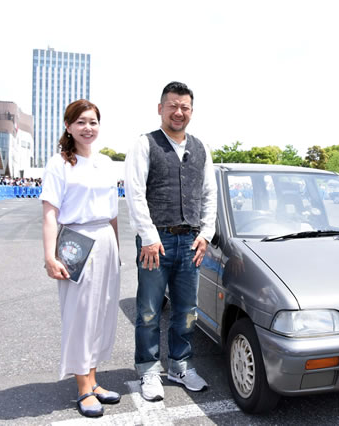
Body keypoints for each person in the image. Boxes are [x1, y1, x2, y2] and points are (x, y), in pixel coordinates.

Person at [124, 81, 217, 401]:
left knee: (187, 311)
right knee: (149, 311)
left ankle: (179, 365)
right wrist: (148, 237)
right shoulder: (145, 144)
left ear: (191, 111)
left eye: (185, 107)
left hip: (190, 241)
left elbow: (209, 194)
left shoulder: (201, 148)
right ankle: (148, 369)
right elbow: (134, 193)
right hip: (156, 242)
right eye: (173, 106)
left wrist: (205, 233)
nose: (179, 112)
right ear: (160, 108)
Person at [40, 99, 121, 418]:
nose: (88, 128)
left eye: (93, 122)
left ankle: (94, 380)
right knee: (80, 315)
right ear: (69, 126)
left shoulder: (106, 163)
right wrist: (50, 256)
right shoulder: (58, 164)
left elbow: (113, 213)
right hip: (75, 240)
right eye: (81, 122)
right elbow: (50, 214)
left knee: (102, 313)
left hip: (105, 238)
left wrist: (117, 250)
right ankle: (83, 388)